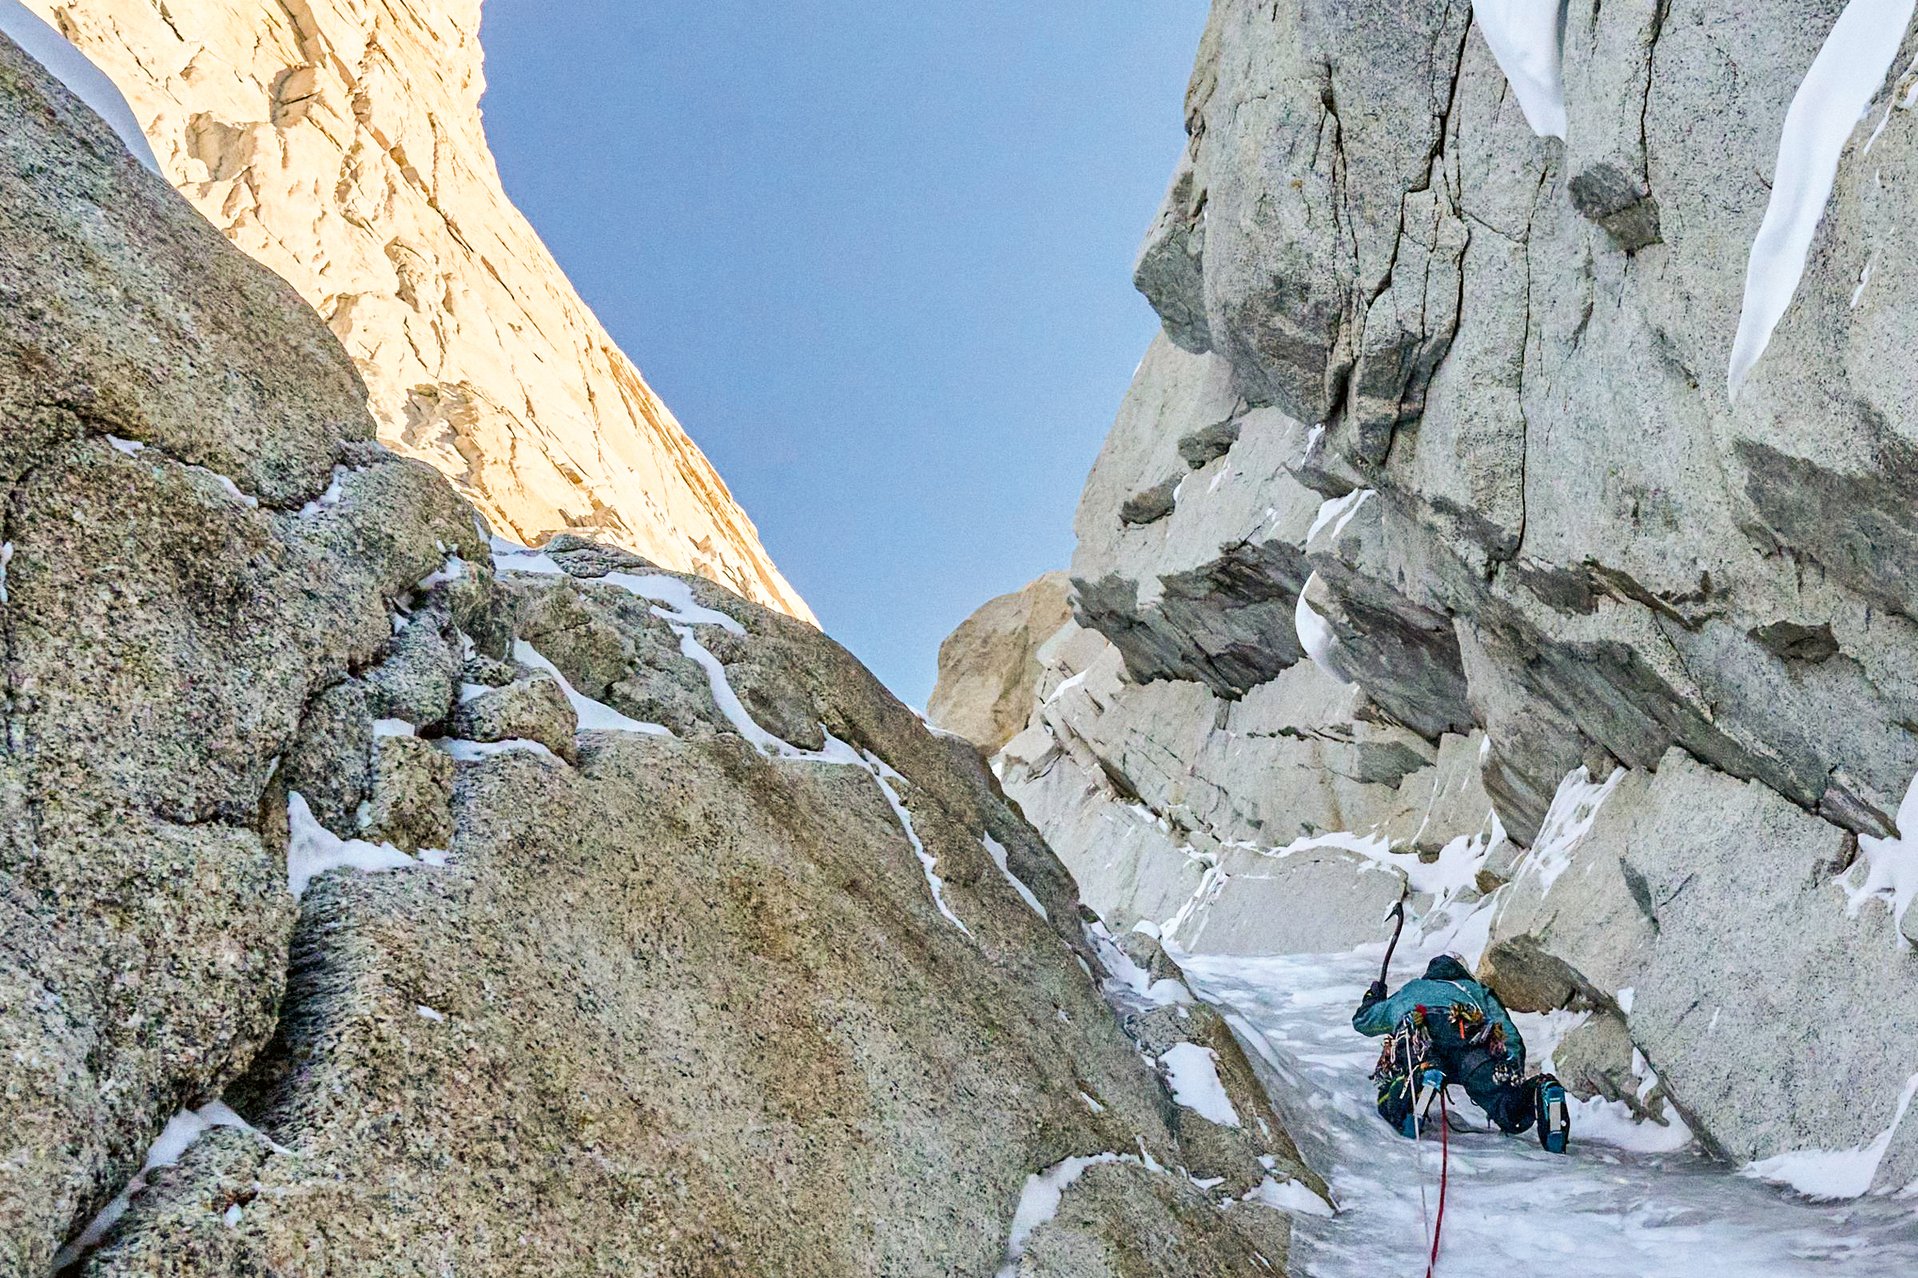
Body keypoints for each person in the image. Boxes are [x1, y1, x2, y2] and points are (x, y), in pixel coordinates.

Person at [1353, 954, 1569, 1153]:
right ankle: (1539, 1090)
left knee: (1400, 1082)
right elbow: (1508, 1034)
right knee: (1509, 1113)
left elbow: (1363, 1021)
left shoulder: (1412, 989)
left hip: (1421, 1039)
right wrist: (1511, 1071)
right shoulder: (1475, 990)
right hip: (1470, 1042)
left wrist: (1374, 996)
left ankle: (1420, 1083)